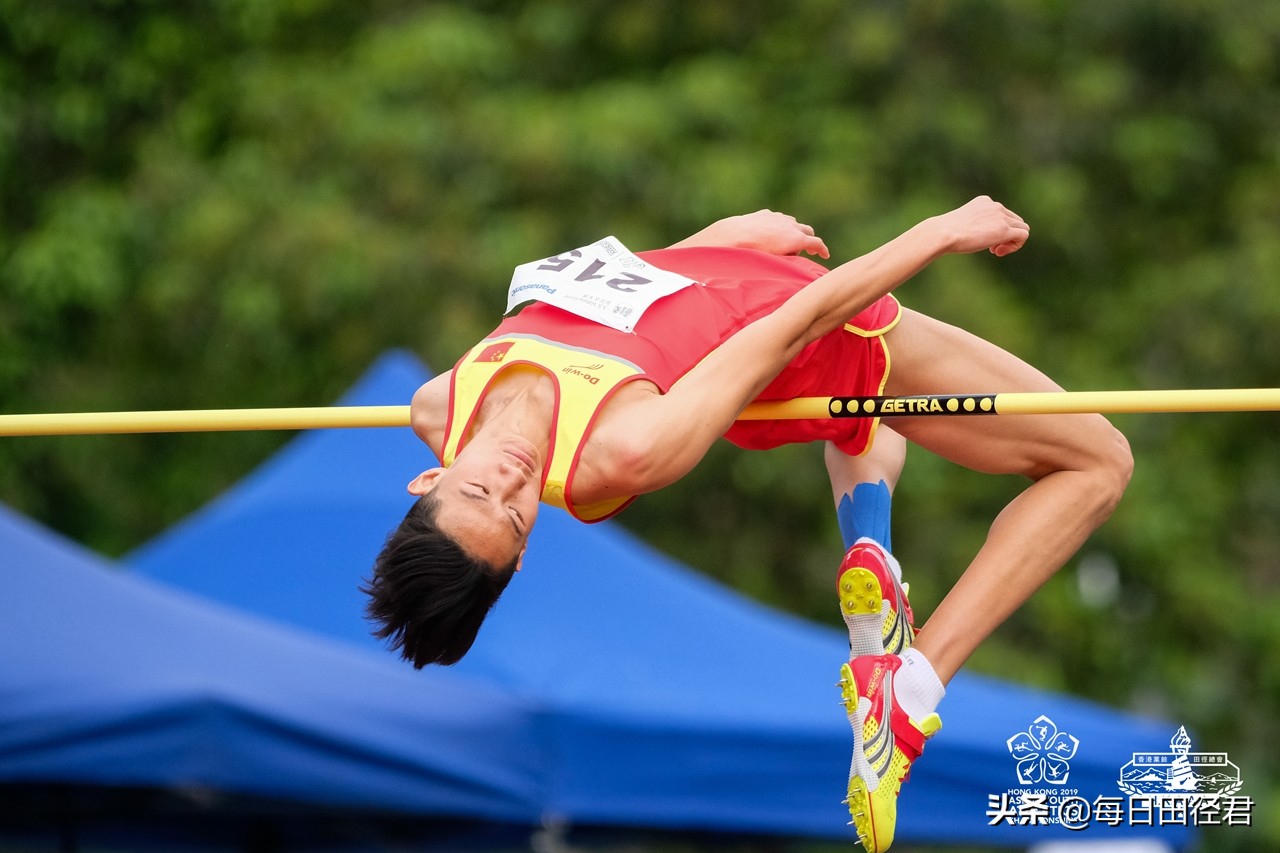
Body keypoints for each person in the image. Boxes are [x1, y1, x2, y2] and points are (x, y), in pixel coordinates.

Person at [362, 197, 1132, 852]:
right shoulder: (622, 450)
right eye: (518, 517)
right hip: (809, 327)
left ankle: (871, 551)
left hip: (729, 287)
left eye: (476, 493)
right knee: (1097, 460)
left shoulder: (440, 402)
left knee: (863, 425)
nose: (512, 483)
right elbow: (795, 327)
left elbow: (591, 298)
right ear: (529, 550)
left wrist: (717, 241)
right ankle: (910, 687)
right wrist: (937, 232)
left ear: (430, 475)